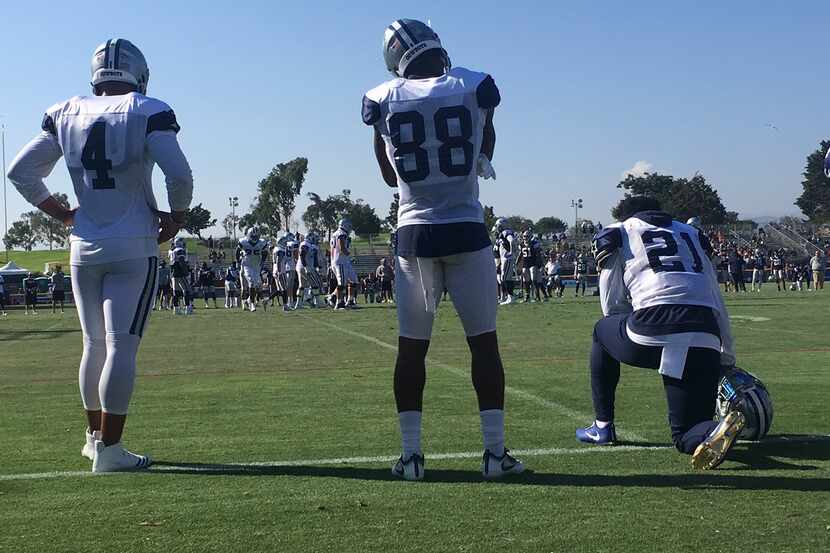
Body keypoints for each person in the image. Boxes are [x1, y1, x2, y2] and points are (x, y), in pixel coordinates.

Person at [7, 38, 192, 472]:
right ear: (138, 73)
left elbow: (20, 171)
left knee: (92, 345)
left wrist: (60, 212)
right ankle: (110, 450)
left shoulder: (64, 110)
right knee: (121, 347)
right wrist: (178, 216)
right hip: (132, 243)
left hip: (83, 246)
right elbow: (179, 173)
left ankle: (94, 440)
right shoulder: (147, 109)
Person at [363, 18, 522, 480]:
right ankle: (495, 455)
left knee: (411, 350)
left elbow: (389, 176)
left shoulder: (380, 97)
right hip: (467, 229)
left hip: (414, 234)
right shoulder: (475, 83)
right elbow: (486, 137)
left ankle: (411, 457)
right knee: (484, 345)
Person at [576, 196, 745, 470]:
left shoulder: (620, 231)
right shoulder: (691, 233)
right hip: (705, 332)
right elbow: (716, 298)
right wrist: (726, 355)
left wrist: (626, 322)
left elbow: (610, 304)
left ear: (626, 215)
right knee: (685, 433)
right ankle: (712, 431)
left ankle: (602, 425)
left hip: (654, 326)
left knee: (601, 332)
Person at [238, 227, 269, 312]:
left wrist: (262, 261)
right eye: (253, 236)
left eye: (256, 236)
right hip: (246, 265)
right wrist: (238, 262)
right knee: (251, 283)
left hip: (256, 266)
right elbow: (237, 251)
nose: (254, 238)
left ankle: (248, 301)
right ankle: (252, 304)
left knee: (257, 285)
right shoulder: (243, 242)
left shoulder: (262, 242)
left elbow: (265, 252)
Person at [330, 219, 357, 309]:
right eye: (349, 226)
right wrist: (349, 255)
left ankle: (350, 301)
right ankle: (339, 303)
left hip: (342, 261)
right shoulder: (341, 234)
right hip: (340, 261)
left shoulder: (336, 233)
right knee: (341, 284)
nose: (350, 228)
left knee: (353, 280)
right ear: (345, 225)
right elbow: (342, 248)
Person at [493, 218, 517, 305]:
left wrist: (511, 252)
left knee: (506, 279)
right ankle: (506, 298)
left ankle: (511, 297)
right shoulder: (502, 234)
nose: (497, 228)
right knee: (504, 279)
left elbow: (512, 240)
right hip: (504, 259)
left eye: (498, 226)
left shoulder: (506, 232)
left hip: (507, 259)